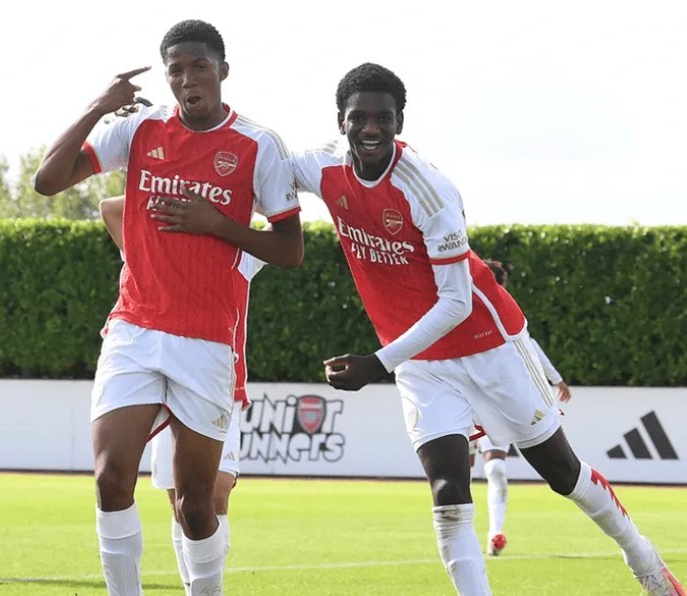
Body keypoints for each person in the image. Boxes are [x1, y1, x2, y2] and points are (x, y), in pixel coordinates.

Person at [289, 63, 682, 595]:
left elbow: (454, 303)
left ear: (400, 121)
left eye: (383, 117)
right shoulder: (320, 168)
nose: (371, 128)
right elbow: (261, 167)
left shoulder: (430, 191)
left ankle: (644, 560)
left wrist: (376, 364)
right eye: (359, 117)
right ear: (342, 121)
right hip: (420, 361)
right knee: (448, 488)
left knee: (562, 473)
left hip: (486, 342)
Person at [33, 19, 303, 595]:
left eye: (199, 66)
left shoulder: (259, 144)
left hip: (207, 342)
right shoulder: (137, 129)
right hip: (134, 329)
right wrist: (97, 105)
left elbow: (290, 249)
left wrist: (218, 224)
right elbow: (47, 181)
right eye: (175, 69)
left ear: (222, 71)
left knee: (198, 505)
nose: (187, 79)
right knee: (109, 480)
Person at [100, 196, 262, 591]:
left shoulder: (237, 252)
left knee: (214, 492)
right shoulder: (150, 246)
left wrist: (220, 204)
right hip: (155, 377)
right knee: (179, 501)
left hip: (218, 380)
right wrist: (166, 190)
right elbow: (109, 207)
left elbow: (279, 228)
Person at [470, 258, 573, 556]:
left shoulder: (503, 309)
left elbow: (527, 344)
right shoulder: (457, 306)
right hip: (462, 400)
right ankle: (460, 542)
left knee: (496, 470)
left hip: (493, 402)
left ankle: (495, 534)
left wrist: (555, 379)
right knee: (457, 477)